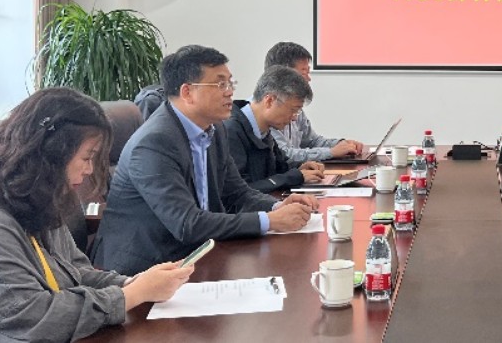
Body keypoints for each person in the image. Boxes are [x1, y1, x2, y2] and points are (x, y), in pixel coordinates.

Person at [0, 88, 193, 342]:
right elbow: (29, 319)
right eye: (87, 157)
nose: (89, 170)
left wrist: (131, 284)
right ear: (52, 152)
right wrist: (130, 296)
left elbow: (74, 272)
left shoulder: (33, 200)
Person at [93, 45, 320, 275]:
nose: (230, 92)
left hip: (198, 254)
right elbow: (187, 223)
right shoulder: (154, 142)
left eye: (231, 83)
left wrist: (277, 206)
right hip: (144, 269)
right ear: (187, 92)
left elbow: (237, 192)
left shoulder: (215, 129)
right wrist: (269, 220)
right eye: (220, 84)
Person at [225, 66, 327, 192]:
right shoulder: (230, 131)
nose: (294, 118)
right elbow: (239, 191)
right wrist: (294, 177)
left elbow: (280, 166)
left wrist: (301, 167)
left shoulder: (264, 129)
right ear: (269, 101)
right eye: (293, 110)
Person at [264, 42, 366, 164]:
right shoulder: (268, 110)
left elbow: (312, 141)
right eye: (303, 73)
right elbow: (284, 155)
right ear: (282, 75)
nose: (308, 79)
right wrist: (331, 152)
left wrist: (342, 144)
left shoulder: (295, 108)